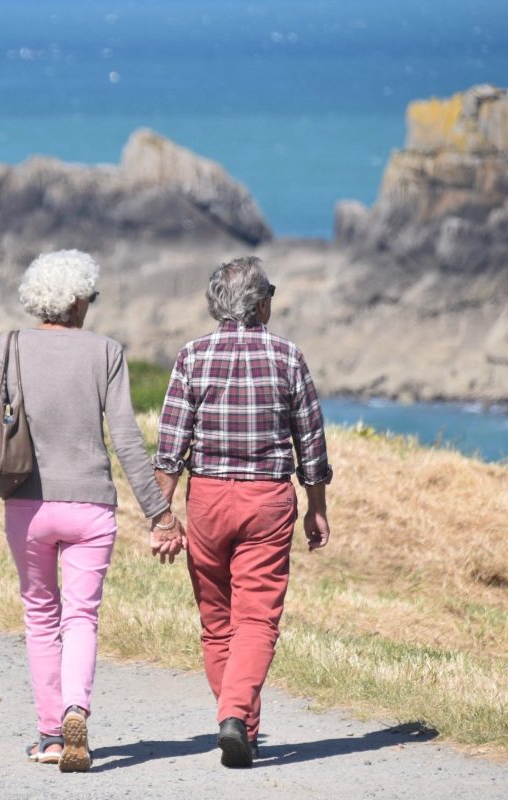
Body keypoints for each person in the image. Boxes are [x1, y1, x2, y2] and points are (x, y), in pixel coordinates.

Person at [0, 249, 182, 773]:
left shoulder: (11, 345)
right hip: (91, 507)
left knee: (41, 616)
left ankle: (49, 735)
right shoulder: (107, 351)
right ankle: (75, 710)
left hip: (27, 505)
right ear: (76, 300)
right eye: (90, 296)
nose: (91, 304)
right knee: (81, 616)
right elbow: (128, 440)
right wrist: (159, 512)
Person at [151, 255, 333, 769]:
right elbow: (311, 446)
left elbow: (170, 448)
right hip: (266, 501)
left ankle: (240, 726)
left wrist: (161, 516)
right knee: (257, 618)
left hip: (207, 499)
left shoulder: (191, 356)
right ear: (260, 304)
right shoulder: (288, 357)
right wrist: (316, 509)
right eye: (270, 291)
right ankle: (237, 718)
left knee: (217, 623)